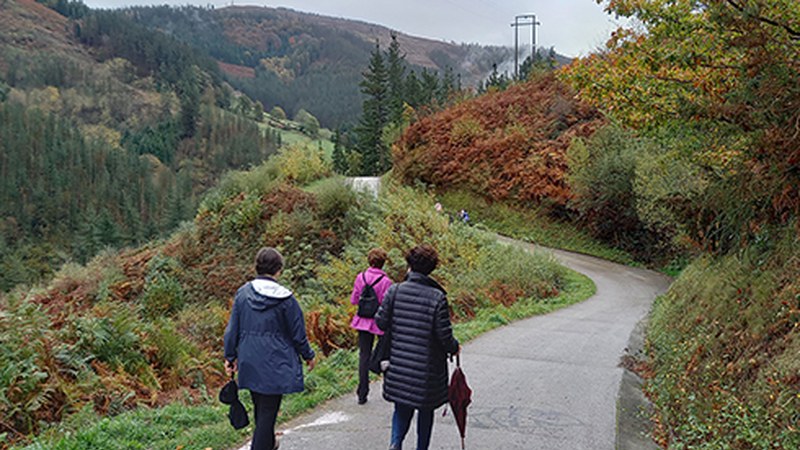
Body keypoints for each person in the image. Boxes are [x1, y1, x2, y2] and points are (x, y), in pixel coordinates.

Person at [224, 247, 316, 450]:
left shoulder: (243, 294)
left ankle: (268, 444)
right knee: (267, 414)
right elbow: (298, 333)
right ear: (279, 270)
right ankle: (265, 444)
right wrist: (308, 355)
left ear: (257, 267)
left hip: (249, 359)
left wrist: (229, 357)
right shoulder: (287, 299)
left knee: (261, 411)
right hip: (275, 362)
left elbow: (232, 329)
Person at [375, 244, 460, 450]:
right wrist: (454, 347)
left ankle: (395, 444)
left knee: (401, 407)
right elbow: (444, 336)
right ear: (431, 269)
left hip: (399, 366)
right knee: (425, 411)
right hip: (427, 371)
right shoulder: (437, 297)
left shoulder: (394, 291)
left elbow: (380, 322)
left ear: (409, 265)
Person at [349, 248, 394, 404]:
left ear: (369, 261)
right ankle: (388, 389)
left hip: (362, 321)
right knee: (385, 354)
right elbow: (387, 305)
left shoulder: (360, 277)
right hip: (380, 322)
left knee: (364, 355)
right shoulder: (386, 282)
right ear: (383, 263)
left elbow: (354, 300)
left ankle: (362, 393)